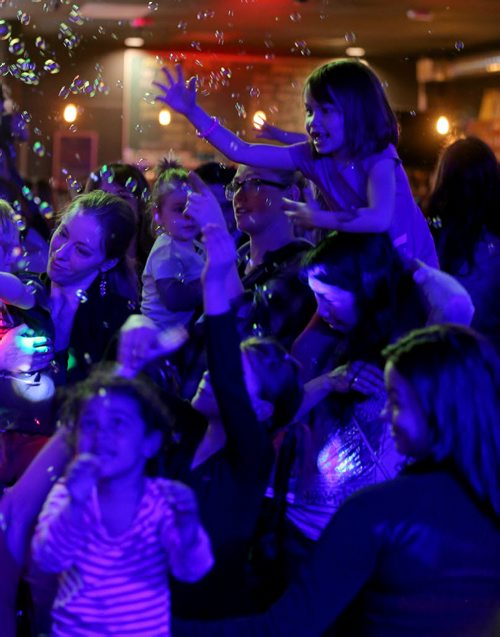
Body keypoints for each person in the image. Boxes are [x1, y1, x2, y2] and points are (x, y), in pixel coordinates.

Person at [175, 323, 500, 637]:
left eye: (397, 403)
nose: (386, 415)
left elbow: (283, 629)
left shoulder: (377, 512)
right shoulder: (488, 500)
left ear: (438, 407)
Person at [118, 216, 303, 620]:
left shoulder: (252, 460)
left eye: (234, 374)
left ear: (261, 410)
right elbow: (117, 393)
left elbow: (225, 378)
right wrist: (134, 334)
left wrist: (215, 283)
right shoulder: (183, 428)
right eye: (223, 366)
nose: (210, 372)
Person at [154, 59, 438, 266]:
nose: (314, 122)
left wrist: (318, 218)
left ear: (357, 113)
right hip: (372, 268)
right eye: (309, 111)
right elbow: (241, 151)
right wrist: (193, 112)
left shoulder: (379, 158)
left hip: (414, 269)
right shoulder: (312, 158)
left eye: (326, 111)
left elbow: (379, 218)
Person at [31, 368, 214, 637]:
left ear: (150, 443)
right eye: (90, 423)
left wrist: (188, 528)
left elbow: (191, 571)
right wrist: (76, 505)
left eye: (118, 422)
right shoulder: (69, 493)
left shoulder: (162, 500)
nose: (102, 434)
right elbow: (47, 560)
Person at [0, 190, 139, 487]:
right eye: (62, 234)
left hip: (73, 478)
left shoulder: (118, 324)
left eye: (82, 250)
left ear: (108, 263)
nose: (60, 253)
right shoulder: (21, 297)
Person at [427, 136, 500, 351]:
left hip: (436, 361)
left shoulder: (432, 236)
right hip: (486, 366)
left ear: (443, 181)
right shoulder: (493, 245)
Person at [141, 164, 205, 330]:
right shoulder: (166, 248)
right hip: (157, 337)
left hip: (176, 335)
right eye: (179, 208)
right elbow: (173, 299)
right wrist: (211, 283)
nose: (188, 215)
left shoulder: (197, 246)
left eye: (194, 206)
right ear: (158, 214)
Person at [85, 162, 154, 274]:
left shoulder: (158, 263)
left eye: (123, 197)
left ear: (141, 206)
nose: (113, 205)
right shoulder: (83, 268)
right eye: (104, 197)